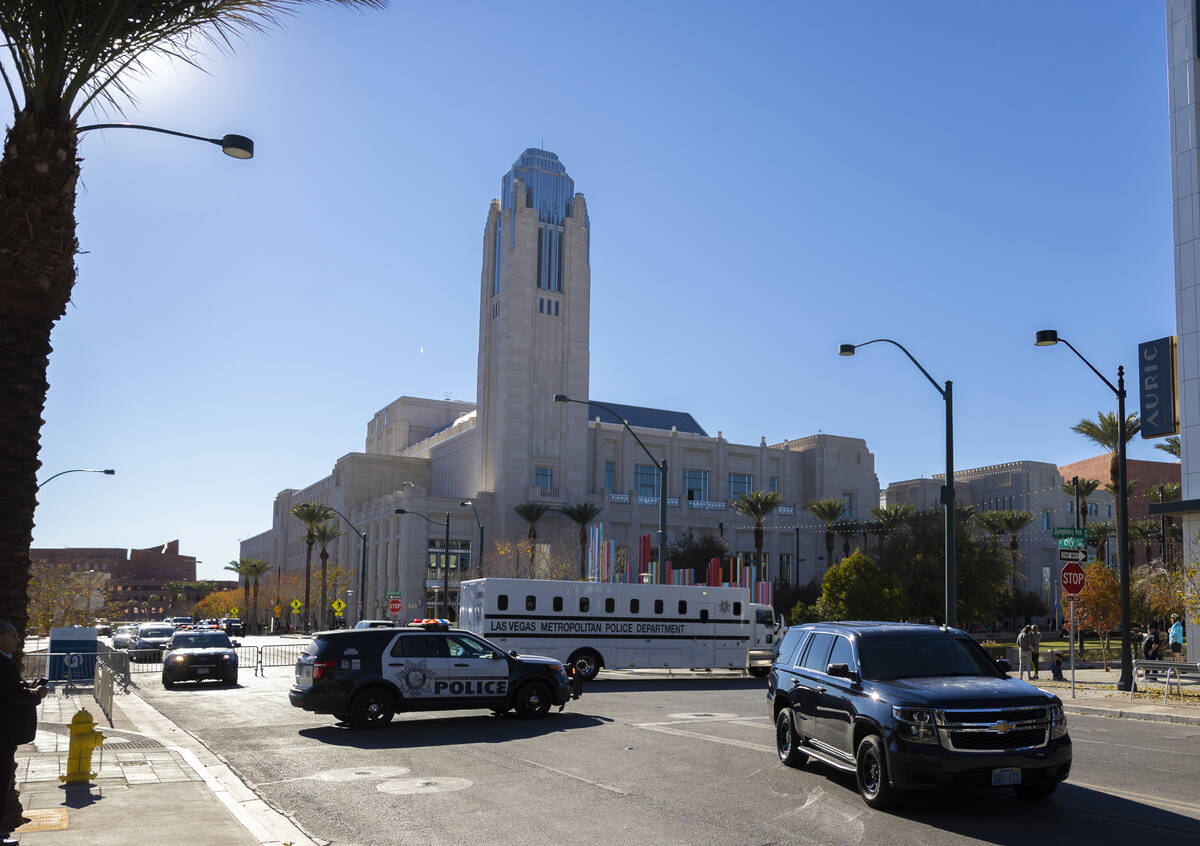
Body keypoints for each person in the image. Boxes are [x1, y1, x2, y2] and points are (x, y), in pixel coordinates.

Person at [0, 619, 49, 843]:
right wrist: (36, 694)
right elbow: (14, 697)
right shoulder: (2, 664)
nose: (18, 640)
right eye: (13, 636)